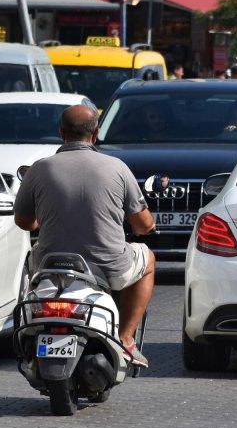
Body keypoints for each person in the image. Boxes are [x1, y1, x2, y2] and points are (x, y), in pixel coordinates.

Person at [13, 105, 156, 366]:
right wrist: (145, 227)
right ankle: (125, 338)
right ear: (96, 134)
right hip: (108, 267)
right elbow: (142, 224)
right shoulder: (117, 168)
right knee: (148, 259)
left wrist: (41, 220)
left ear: (61, 133)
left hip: (49, 266)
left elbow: (23, 221)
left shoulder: (39, 169)